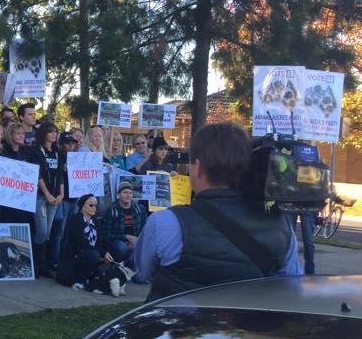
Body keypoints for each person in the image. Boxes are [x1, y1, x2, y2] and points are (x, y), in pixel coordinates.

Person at [134, 122, 300, 300]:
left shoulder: (164, 223)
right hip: (251, 326)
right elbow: (290, 284)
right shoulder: (281, 227)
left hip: (179, 325)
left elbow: (143, 273)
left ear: (197, 168)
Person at [58, 194, 112, 289]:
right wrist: (102, 253)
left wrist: (105, 253)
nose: (94, 208)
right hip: (75, 255)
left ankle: (88, 279)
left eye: (96, 205)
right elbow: (81, 243)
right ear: (82, 205)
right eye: (91, 205)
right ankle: (80, 281)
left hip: (90, 253)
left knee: (103, 257)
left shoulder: (96, 221)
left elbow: (99, 242)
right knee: (94, 255)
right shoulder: (75, 219)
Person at [47, 132, 79, 274]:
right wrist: (62, 167)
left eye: (73, 143)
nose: (71, 146)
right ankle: (54, 260)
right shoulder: (58, 156)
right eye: (68, 143)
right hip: (63, 198)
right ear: (62, 144)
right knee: (59, 230)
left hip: (75, 198)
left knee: (68, 231)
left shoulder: (78, 158)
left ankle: (62, 259)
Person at [37, 121, 63, 273]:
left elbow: (59, 174)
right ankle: (35, 262)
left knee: (48, 233)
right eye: (51, 131)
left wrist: (61, 194)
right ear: (44, 133)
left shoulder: (57, 152)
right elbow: (38, 175)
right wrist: (46, 194)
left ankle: (44, 266)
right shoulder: (36, 151)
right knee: (41, 231)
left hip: (55, 198)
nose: (54, 134)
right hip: (40, 197)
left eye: (55, 132)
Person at [98, 181, 145, 266]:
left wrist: (137, 241)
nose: (128, 195)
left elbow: (144, 228)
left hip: (136, 240)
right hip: (118, 242)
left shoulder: (139, 209)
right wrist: (126, 237)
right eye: (125, 192)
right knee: (122, 247)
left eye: (130, 193)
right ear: (119, 194)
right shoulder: (111, 210)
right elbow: (105, 234)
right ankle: (115, 266)